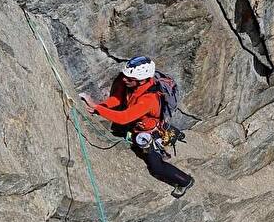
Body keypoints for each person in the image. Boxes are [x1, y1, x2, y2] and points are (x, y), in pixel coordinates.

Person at [80, 56, 194, 198]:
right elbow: (117, 99)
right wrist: (99, 108)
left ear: (142, 81)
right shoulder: (128, 79)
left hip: (147, 131)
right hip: (135, 124)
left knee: (156, 167)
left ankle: (185, 181)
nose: (124, 80)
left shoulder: (149, 99)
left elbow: (124, 117)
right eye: (126, 76)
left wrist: (97, 108)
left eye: (129, 78)